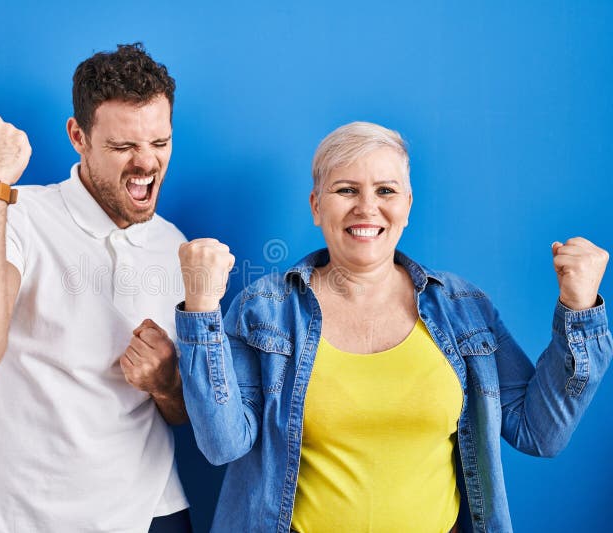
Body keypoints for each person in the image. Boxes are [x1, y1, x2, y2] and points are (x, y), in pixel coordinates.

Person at [174, 121, 611, 532]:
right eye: (346, 190)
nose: (367, 207)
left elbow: (540, 432)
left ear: (407, 206)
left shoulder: (464, 309)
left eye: (386, 189)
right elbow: (222, 443)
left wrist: (580, 309)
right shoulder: (266, 308)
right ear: (316, 206)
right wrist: (201, 306)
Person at [0, 43, 193, 533]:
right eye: (122, 147)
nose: (146, 164)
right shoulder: (17, 216)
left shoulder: (172, 245)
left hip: (152, 516)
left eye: (160, 143)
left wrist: (165, 383)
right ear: (79, 136)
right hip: (26, 521)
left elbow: (180, 414)